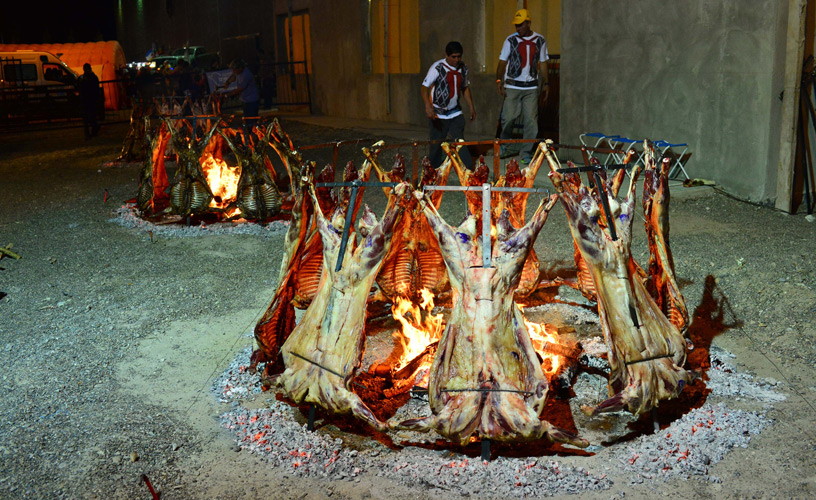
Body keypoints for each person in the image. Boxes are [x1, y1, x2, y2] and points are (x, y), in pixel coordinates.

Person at [496, 8, 549, 164]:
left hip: (531, 87)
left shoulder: (540, 40)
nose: (517, 28)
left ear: (528, 23)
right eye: (516, 26)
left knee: (531, 121)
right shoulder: (510, 40)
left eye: (520, 25)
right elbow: (502, 62)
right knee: (509, 117)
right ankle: (505, 144)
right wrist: (499, 80)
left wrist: (546, 83)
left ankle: (526, 151)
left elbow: (543, 63)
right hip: (512, 85)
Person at [421, 41, 475, 169]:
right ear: (447, 55)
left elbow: (465, 88)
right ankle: (434, 172)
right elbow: (424, 87)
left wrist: (471, 106)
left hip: (455, 112)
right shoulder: (437, 67)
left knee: (460, 141)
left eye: (459, 56)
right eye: (453, 57)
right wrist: (428, 106)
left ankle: (468, 170)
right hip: (438, 114)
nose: (456, 60)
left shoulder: (463, 68)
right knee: (436, 144)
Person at [223, 59, 260, 129]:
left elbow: (240, 89)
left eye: (234, 70)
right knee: (246, 119)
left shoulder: (246, 75)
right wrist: (228, 82)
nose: (233, 72)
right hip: (246, 100)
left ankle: (253, 134)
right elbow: (233, 76)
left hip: (252, 100)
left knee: (251, 120)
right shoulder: (238, 72)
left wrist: (227, 95)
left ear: (240, 68)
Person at [77, 63, 101, 139]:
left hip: (87, 99)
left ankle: (90, 132)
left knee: (89, 117)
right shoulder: (93, 77)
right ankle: (91, 131)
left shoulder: (83, 78)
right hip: (89, 99)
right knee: (89, 117)